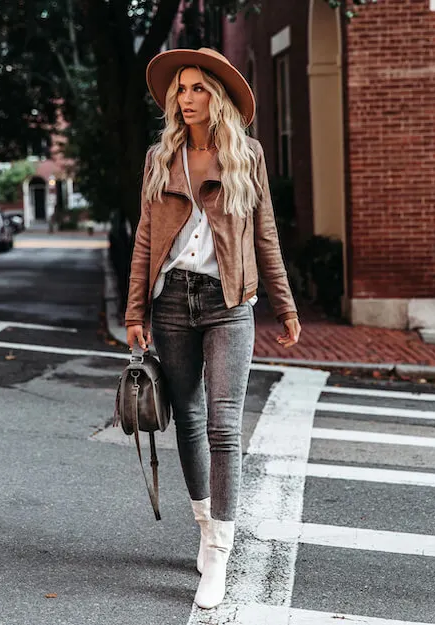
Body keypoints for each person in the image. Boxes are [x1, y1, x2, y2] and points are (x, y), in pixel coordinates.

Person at [125, 47, 301, 609]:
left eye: (198, 87)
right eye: (181, 89)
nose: (187, 97)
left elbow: (265, 234)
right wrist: (134, 313)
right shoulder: (160, 158)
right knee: (190, 419)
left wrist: (286, 305)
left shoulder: (246, 156)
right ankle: (204, 525)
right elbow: (146, 241)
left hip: (231, 302)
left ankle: (220, 551)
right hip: (172, 300)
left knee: (225, 427)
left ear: (216, 96)